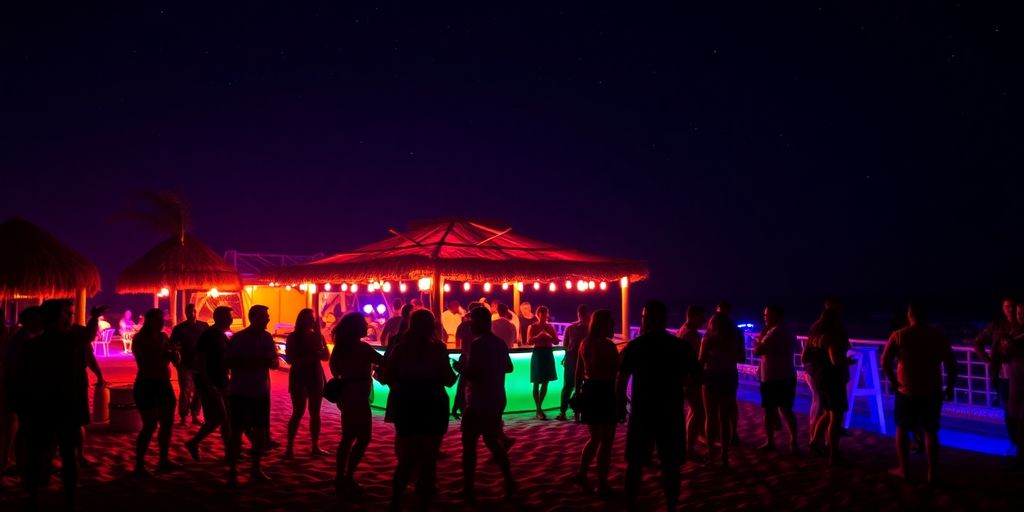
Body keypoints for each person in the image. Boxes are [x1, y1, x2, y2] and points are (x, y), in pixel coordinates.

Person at [13, 300, 103, 510]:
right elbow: (23, 379)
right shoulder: (67, 342)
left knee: (56, 454)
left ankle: (43, 497)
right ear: (54, 317)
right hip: (54, 406)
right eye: (66, 314)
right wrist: (94, 318)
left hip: (51, 406)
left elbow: (22, 379)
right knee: (54, 454)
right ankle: (59, 498)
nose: (70, 317)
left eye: (71, 313)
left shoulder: (36, 345)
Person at [618, 301, 701, 512]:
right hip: (671, 411)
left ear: (646, 319)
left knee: (635, 464)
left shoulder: (636, 346)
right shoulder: (679, 346)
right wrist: (682, 382)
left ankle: (630, 506)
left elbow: (622, 377)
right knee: (671, 465)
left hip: (642, 411)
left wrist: (620, 403)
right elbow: (698, 375)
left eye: (644, 316)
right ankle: (671, 506)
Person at [383, 310, 457, 512]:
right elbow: (449, 380)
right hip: (433, 404)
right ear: (432, 327)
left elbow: (388, 376)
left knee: (407, 457)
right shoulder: (437, 349)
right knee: (428, 456)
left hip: (407, 405)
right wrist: (458, 368)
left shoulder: (400, 349)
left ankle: (396, 500)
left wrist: (400, 388)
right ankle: (423, 499)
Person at [881, 301, 958, 484]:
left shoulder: (898, 335)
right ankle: (932, 473)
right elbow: (951, 364)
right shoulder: (938, 336)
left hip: (906, 390)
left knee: (902, 428)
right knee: (931, 431)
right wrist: (950, 386)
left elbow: (885, 361)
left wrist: (893, 382)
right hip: (932, 391)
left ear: (909, 314)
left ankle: (904, 469)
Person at [457, 307, 516, 501]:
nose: (470, 325)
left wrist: (460, 368)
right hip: (497, 397)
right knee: (492, 441)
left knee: (469, 444)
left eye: (472, 322)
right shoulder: (499, 343)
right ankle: (509, 481)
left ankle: (468, 487)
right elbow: (509, 367)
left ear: (481, 322)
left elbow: (475, 375)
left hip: (478, 400)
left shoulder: (477, 345)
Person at [224, 305, 279, 486]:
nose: (267, 319)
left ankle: (256, 467)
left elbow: (274, 363)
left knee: (261, 431)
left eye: (267, 316)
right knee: (237, 432)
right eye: (264, 317)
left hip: (261, 391)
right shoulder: (239, 338)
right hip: (240, 390)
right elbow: (229, 362)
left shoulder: (267, 337)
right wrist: (254, 360)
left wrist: (272, 361)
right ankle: (233, 471)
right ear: (253, 318)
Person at [329, 312, 384, 493]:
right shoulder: (362, 348)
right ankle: (347, 476)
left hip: (346, 394)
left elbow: (334, 370)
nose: (366, 326)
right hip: (358, 395)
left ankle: (340, 476)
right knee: (363, 437)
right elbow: (383, 361)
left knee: (348, 437)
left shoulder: (339, 348)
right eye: (363, 324)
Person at [570, 309, 619, 495]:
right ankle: (602, 483)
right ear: (603, 325)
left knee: (595, 437)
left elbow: (578, 371)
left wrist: (578, 391)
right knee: (606, 441)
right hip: (605, 391)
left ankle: (582, 473)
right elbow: (616, 371)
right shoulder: (607, 346)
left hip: (590, 390)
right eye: (611, 322)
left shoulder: (585, 343)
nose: (614, 325)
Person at [131, 308, 181, 476]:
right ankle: (139, 464)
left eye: (162, 320)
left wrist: (174, 352)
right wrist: (166, 354)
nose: (161, 323)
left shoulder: (163, 337)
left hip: (164, 384)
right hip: (146, 384)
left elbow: (176, 361)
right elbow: (146, 363)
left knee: (167, 424)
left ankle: (163, 460)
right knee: (150, 425)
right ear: (149, 321)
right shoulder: (140, 339)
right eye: (158, 320)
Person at [185, 306, 233, 462]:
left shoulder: (222, 336)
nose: (231, 320)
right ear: (220, 318)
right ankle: (194, 442)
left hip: (222, 381)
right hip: (210, 383)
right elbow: (200, 361)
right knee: (219, 418)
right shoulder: (208, 335)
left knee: (226, 418)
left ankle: (228, 452)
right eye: (229, 317)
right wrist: (207, 384)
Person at [806, 305, 853, 465]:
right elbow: (835, 360)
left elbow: (805, 357)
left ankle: (814, 441)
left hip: (820, 376)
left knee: (827, 413)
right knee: (836, 416)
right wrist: (846, 361)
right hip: (833, 378)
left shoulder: (814, 337)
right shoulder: (832, 337)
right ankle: (834, 455)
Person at [972, 297, 1017, 454]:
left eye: (1012, 306)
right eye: (1007, 306)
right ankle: (1016, 443)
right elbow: (977, 342)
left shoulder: (1020, 325)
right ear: (1002, 308)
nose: (1010, 309)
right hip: (1003, 377)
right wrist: (988, 361)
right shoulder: (996, 326)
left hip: (1020, 375)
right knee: (1009, 411)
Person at [1, 307, 42, 478]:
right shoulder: (22, 340)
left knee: (18, 425)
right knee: (21, 427)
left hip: (17, 387)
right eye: (38, 320)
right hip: (21, 389)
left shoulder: (20, 338)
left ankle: (15, 462)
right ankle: (17, 464)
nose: (42, 323)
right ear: (30, 321)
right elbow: (16, 367)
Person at [754, 305, 800, 453]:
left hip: (772, 376)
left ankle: (771, 442)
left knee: (769, 410)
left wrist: (758, 341)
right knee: (787, 409)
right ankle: (794, 442)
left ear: (776, 316)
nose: (765, 317)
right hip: (788, 374)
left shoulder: (773, 333)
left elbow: (757, 352)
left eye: (767, 315)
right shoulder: (789, 330)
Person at [284, 309, 329, 459]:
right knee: (298, 412)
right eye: (308, 319)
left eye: (312, 319)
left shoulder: (318, 336)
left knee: (315, 413)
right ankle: (289, 446)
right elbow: (290, 359)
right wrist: (311, 357)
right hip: (299, 376)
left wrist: (320, 345)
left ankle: (315, 445)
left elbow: (326, 356)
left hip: (315, 376)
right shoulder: (293, 337)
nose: (311, 321)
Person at [700, 312, 740, 467]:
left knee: (710, 416)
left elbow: (701, 360)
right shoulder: (735, 339)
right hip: (730, 376)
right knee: (725, 418)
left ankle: (711, 453)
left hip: (712, 376)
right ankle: (724, 454)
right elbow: (741, 357)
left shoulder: (708, 339)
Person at [676, 305, 707, 460]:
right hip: (689, 378)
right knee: (698, 411)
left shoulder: (682, 331)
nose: (704, 321)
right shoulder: (691, 335)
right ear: (693, 316)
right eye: (702, 317)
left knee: (693, 410)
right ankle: (689, 447)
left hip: (684, 377)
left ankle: (688, 444)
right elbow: (692, 358)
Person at [170, 303, 208, 427]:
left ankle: (195, 415)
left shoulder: (204, 326)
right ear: (186, 313)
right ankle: (183, 417)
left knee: (199, 391)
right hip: (184, 364)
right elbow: (173, 346)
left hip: (200, 364)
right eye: (189, 312)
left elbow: (209, 344)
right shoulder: (179, 329)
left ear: (196, 312)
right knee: (185, 391)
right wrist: (176, 359)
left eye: (193, 311)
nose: (191, 314)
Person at [715, 302, 745, 445]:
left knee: (715, 406)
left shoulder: (711, 334)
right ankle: (732, 434)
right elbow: (742, 357)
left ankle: (719, 437)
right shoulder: (737, 332)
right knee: (730, 404)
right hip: (729, 371)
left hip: (716, 372)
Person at [558, 305, 589, 421]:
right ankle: (579, 412)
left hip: (571, 359)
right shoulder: (589, 328)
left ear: (578, 313)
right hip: (585, 360)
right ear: (587, 314)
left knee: (568, 386)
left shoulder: (570, 327)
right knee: (582, 386)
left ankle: (563, 412)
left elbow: (565, 346)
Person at [527, 306, 559, 420]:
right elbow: (529, 341)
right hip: (538, 353)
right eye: (544, 313)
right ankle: (538, 408)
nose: (546, 316)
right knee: (536, 381)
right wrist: (539, 336)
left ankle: (539, 408)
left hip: (548, 353)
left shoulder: (550, 327)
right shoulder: (533, 326)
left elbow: (556, 341)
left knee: (546, 382)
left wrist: (549, 336)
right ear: (539, 314)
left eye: (547, 313)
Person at [1005, 303, 1024, 469]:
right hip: (1015, 381)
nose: (1020, 316)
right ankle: (1018, 449)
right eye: (1019, 313)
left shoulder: (1016, 335)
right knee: (1014, 415)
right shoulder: (1013, 333)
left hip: (1018, 381)